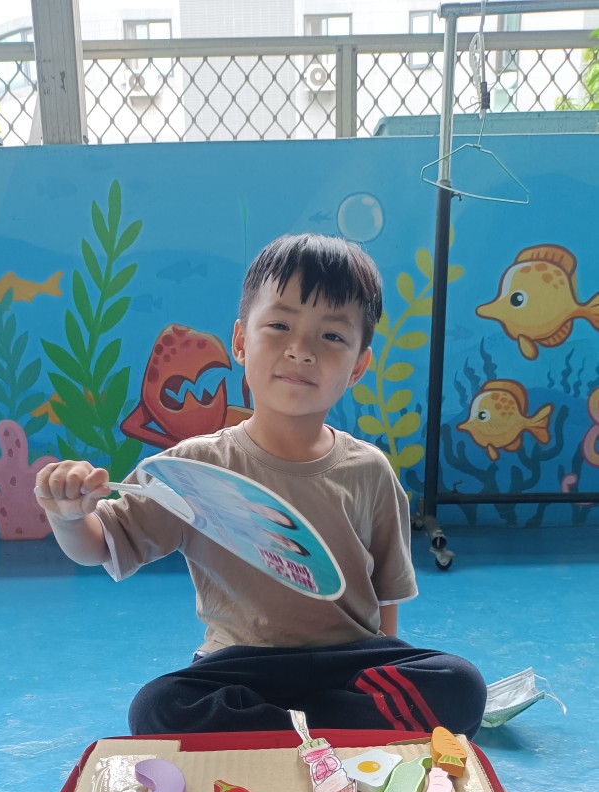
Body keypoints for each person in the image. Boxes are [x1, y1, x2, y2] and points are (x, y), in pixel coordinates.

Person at [35, 233, 486, 739]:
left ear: (359, 364)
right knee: (158, 707)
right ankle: (330, 733)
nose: (301, 350)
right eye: (279, 326)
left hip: (349, 663)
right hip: (241, 666)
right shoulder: (191, 468)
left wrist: (384, 669)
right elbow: (100, 545)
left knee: (460, 684)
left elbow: (387, 600)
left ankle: (278, 734)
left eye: (331, 336)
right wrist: (68, 515)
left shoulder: (370, 470)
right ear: (240, 341)